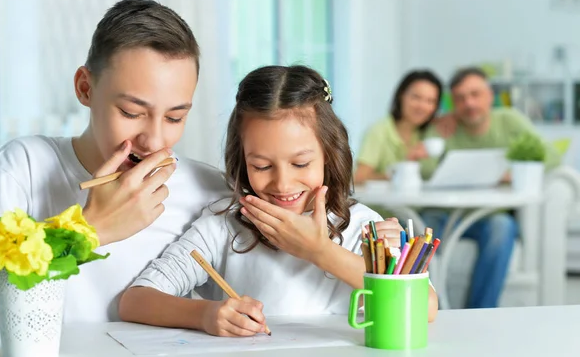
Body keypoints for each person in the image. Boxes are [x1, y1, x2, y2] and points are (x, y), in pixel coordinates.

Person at [118, 65, 438, 337]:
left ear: (330, 155)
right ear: (242, 161)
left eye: (300, 164)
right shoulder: (224, 223)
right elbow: (135, 300)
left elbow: (425, 308)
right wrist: (204, 315)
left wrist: (319, 250)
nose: (282, 183)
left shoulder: (364, 227)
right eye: (262, 166)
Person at [0, 0, 230, 322]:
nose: (153, 141)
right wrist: (89, 230)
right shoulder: (23, 168)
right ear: (85, 88)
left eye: (174, 117)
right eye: (131, 112)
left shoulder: (207, 192)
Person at [422, 66, 561, 308]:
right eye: (460, 98)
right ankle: (427, 308)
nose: (469, 103)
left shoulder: (509, 120)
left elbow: (550, 155)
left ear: (490, 96)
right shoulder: (445, 127)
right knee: (418, 227)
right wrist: (437, 130)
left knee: (503, 228)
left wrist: (511, 173)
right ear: (453, 102)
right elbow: (425, 171)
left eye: (475, 94)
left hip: (490, 216)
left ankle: (479, 311)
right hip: (445, 215)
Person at [354, 70, 442, 184]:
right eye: (416, 97)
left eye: (430, 101)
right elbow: (358, 178)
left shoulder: (430, 133)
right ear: (401, 95)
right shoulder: (379, 131)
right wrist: (404, 169)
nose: (422, 106)